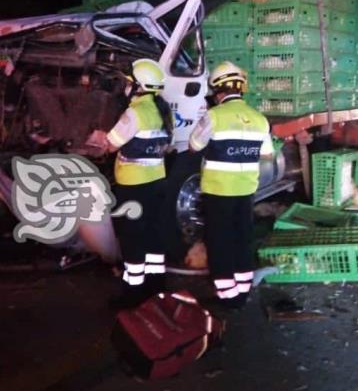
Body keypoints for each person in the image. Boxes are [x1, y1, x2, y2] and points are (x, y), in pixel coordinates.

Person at [188, 61, 273, 309]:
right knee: (241, 239)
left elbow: (194, 146)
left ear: (217, 91)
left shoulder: (214, 116)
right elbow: (266, 153)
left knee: (220, 243)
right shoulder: (259, 119)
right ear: (241, 89)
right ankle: (243, 291)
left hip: (219, 191)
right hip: (246, 191)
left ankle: (227, 297)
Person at [105, 58, 174, 308]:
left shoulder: (134, 113)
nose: (126, 85)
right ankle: (156, 286)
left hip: (133, 185)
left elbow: (111, 143)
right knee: (153, 233)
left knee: (132, 237)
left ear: (138, 86)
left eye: (128, 82)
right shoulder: (163, 111)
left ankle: (133, 293)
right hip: (156, 182)